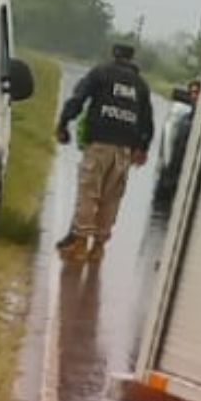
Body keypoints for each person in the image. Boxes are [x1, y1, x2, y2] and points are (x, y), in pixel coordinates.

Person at [53, 42, 155, 262]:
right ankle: (98, 247)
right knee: (111, 198)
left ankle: (80, 242)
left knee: (89, 192)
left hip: (100, 144)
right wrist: (143, 148)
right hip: (125, 150)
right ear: (132, 59)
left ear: (113, 55)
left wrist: (63, 123)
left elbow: (78, 99)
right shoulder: (141, 85)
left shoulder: (101, 73)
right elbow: (147, 121)